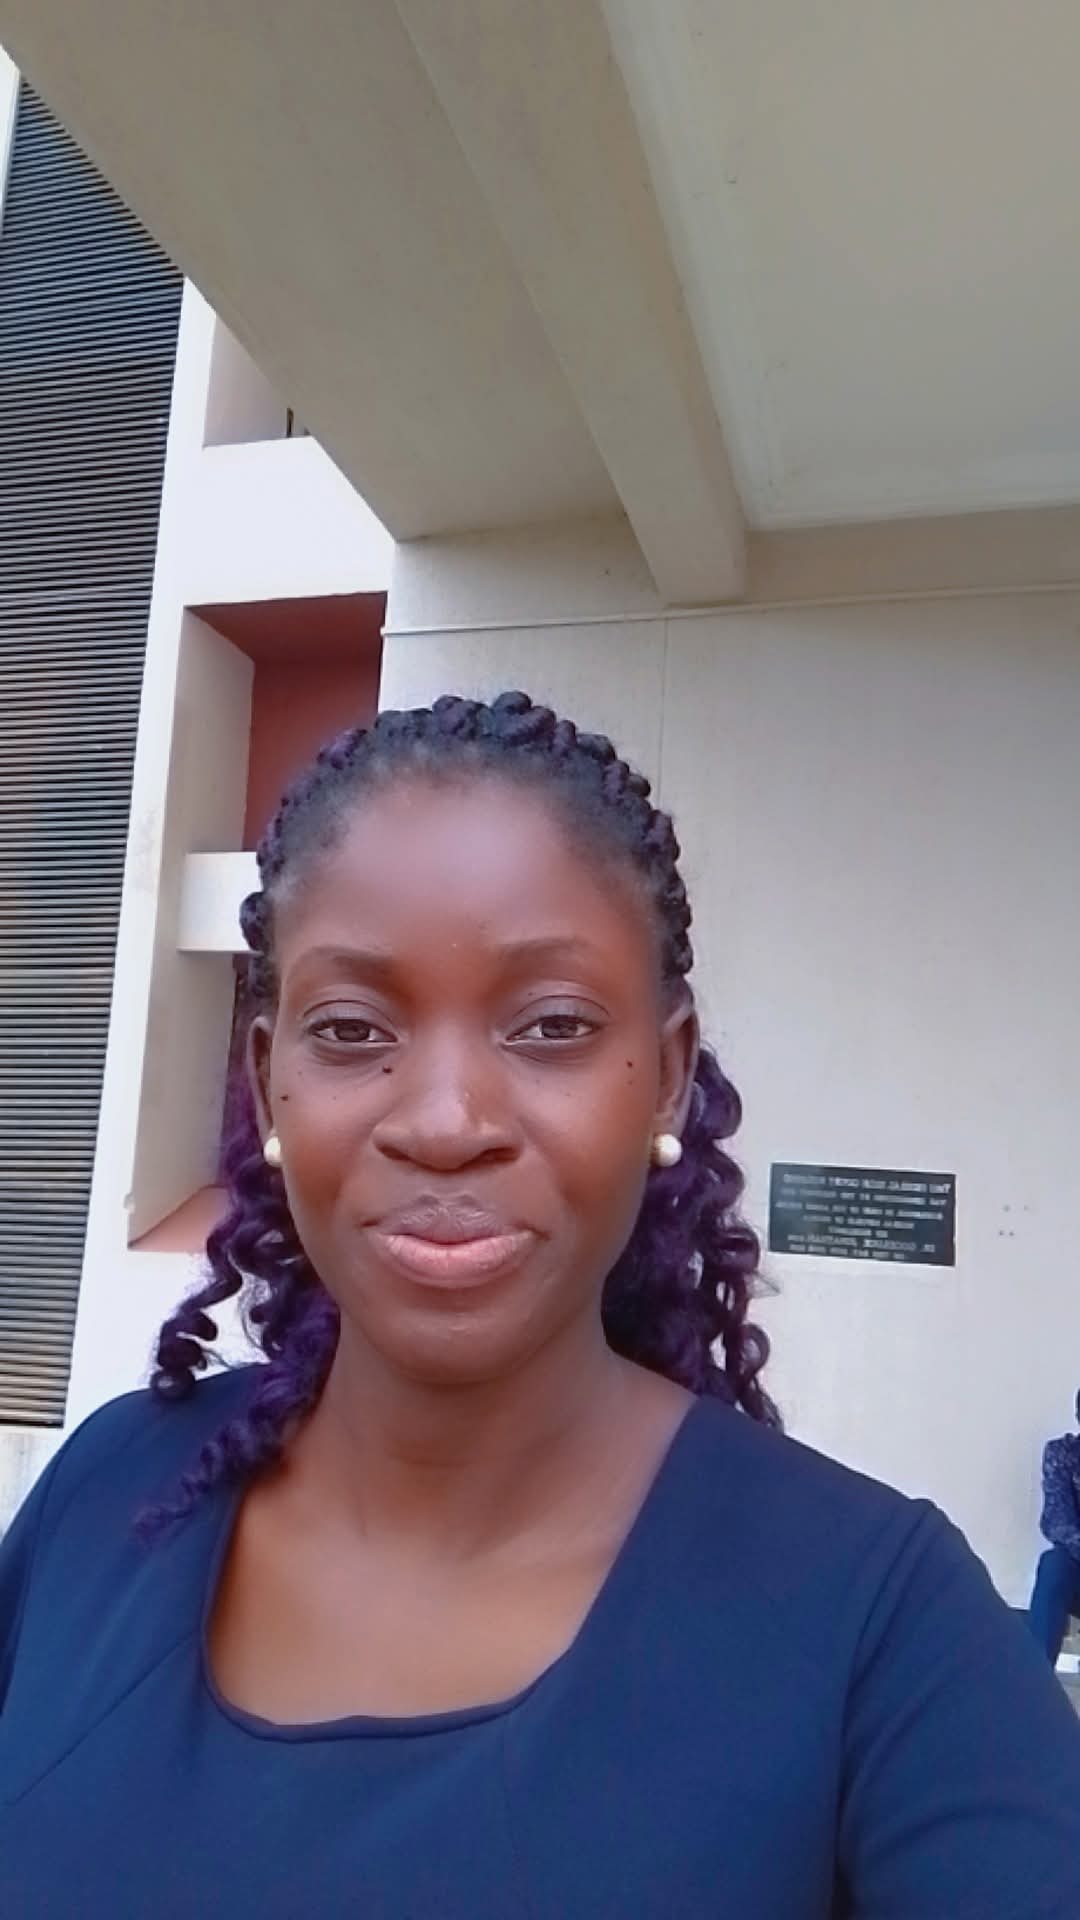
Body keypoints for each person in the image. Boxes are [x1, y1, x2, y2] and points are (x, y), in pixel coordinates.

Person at [3, 690, 1080, 1917]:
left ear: (666, 1076)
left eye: (552, 1026)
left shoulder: (881, 1631)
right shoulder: (107, 1495)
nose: (445, 1122)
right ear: (266, 1078)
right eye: (350, 1029)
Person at [1028, 1392, 1080, 1663]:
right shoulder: (1063, 1453)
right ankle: (1035, 1674)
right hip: (1077, 1567)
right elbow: (1056, 1522)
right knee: (1053, 1564)